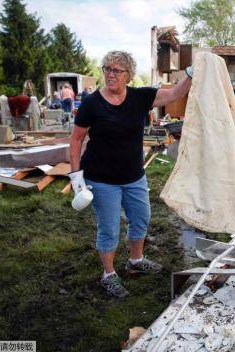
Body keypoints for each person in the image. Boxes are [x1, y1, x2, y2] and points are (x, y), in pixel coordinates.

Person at [69, 50, 192, 298]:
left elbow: (176, 93)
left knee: (141, 218)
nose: (110, 74)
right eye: (106, 69)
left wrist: (191, 73)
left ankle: (135, 261)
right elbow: (76, 140)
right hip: (101, 179)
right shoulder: (92, 103)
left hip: (134, 176)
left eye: (116, 70)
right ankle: (109, 275)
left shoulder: (140, 97)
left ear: (128, 75)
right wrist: (76, 179)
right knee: (109, 228)